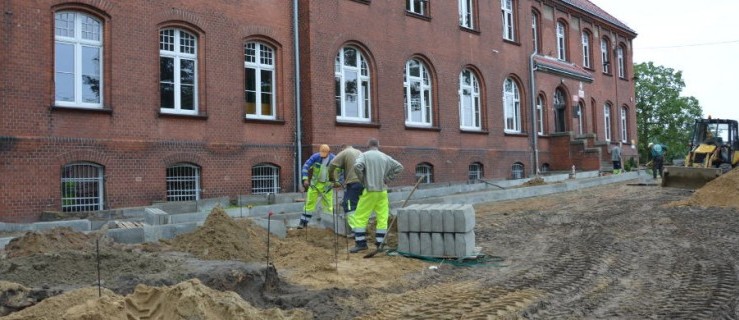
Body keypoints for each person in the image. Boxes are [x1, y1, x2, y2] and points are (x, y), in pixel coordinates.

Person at [349, 138, 404, 253]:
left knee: (360, 216)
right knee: (382, 217)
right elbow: (399, 167)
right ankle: (380, 243)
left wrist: (363, 180)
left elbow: (357, 166)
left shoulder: (364, 155)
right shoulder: (385, 156)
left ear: (367, 145)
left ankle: (361, 243)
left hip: (370, 190)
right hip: (382, 191)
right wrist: (387, 179)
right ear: (378, 145)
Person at [298, 144, 335, 229]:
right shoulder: (315, 157)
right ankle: (303, 223)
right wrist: (305, 178)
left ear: (329, 152)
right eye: (322, 154)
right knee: (310, 203)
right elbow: (305, 166)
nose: (323, 157)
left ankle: (328, 225)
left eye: (325, 155)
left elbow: (340, 171)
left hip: (327, 186)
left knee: (328, 206)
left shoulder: (334, 159)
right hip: (315, 185)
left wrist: (337, 182)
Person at [328, 144, 364, 229]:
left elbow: (331, 165)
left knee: (348, 206)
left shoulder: (345, 152)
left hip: (353, 183)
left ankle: (356, 230)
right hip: (363, 183)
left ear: (342, 148)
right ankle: (361, 226)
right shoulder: (360, 152)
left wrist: (333, 180)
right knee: (358, 205)